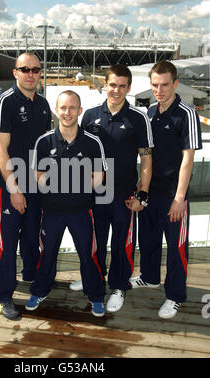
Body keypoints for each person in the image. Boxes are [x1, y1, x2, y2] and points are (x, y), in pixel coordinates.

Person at [70, 64, 154, 313]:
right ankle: (93, 277)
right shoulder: (89, 116)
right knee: (93, 241)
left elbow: (147, 158)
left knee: (121, 244)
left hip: (124, 195)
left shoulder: (139, 118)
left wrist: (143, 194)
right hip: (94, 194)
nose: (116, 90)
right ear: (104, 85)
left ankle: (118, 287)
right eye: (112, 85)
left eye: (122, 86)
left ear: (128, 88)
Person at [130, 60, 202, 319]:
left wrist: (180, 198)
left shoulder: (186, 113)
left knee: (176, 248)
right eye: (154, 85)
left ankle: (175, 296)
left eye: (164, 85)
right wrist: (141, 186)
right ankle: (149, 277)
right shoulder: (149, 113)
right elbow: (145, 155)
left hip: (174, 196)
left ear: (175, 84)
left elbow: (188, 159)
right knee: (147, 241)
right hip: (151, 193)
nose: (159, 90)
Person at [25, 90, 107, 317]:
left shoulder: (93, 142)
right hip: (51, 210)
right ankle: (40, 290)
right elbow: (38, 175)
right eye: (63, 107)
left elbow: (99, 178)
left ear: (80, 111)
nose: (67, 112)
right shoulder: (44, 141)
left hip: (82, 210)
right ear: (56, 110)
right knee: (47, 253)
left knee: (88, 255)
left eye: (72, 108)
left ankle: (96, 295)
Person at [0, 52, 52, 320]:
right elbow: (1, 149)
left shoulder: (44, 104)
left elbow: (47, 147)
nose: (30, 74)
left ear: (40, 74)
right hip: (8, 186)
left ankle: (32, 275)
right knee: (6, 240)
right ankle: (3, 295)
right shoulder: (4, 103)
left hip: (36, 184)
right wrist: (14, 189)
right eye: (24, 69)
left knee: (32, 235)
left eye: (35, 70)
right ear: (15, 72)